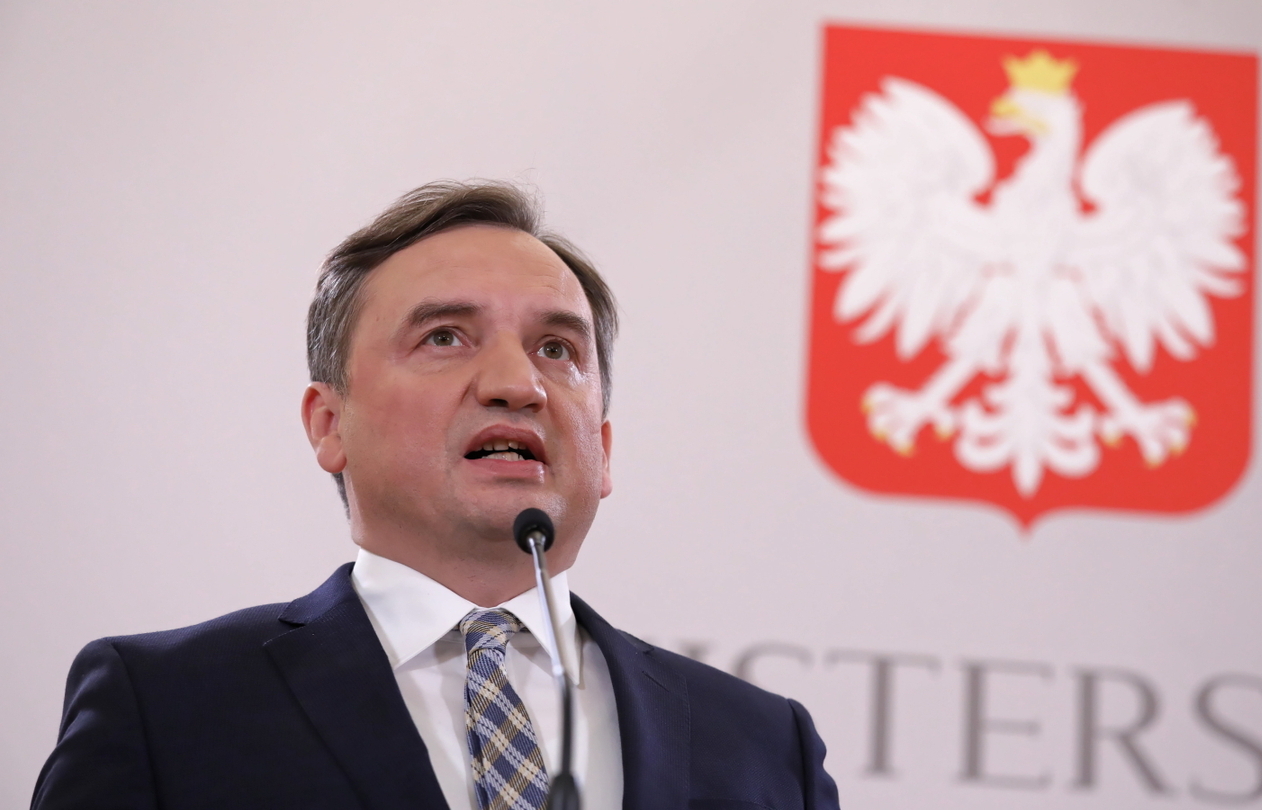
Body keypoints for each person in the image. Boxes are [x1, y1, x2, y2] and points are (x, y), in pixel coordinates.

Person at [31, 181, 841, 810]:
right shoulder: (168, 707)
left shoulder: (766, 748)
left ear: (604, 448)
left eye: (557, 348)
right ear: (330, 424)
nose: (517, 383)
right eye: (445, 337)